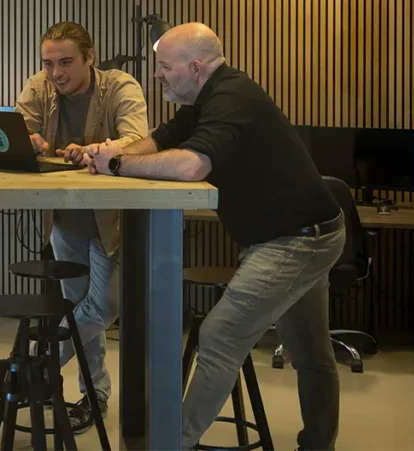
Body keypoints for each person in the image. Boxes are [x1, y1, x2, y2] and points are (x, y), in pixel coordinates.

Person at [85, 22, 345, 451]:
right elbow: (164, 139)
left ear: (195, 66)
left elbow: (191, 166)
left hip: (299, 239)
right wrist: (113, 152)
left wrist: (116, 167)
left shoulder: (231, 97)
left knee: (222, 335)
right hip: (298, 232)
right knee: (312, 355)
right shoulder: (208, 95)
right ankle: (318, 445)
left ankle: (174, 443)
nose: (158, 75)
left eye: (164, 67)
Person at [14, 20, 149, 432]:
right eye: (49, 63)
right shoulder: (41, 85)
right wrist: (29, 140)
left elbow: (139, 139)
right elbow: (15, 125)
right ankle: (94, 396)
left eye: (66, 62)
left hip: (112, 220)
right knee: (78, 310)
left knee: (103, 306)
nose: (56, 73)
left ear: (90, 58)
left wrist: (95, 149)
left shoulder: (121, 85)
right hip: (65, 218)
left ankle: (40, 364)